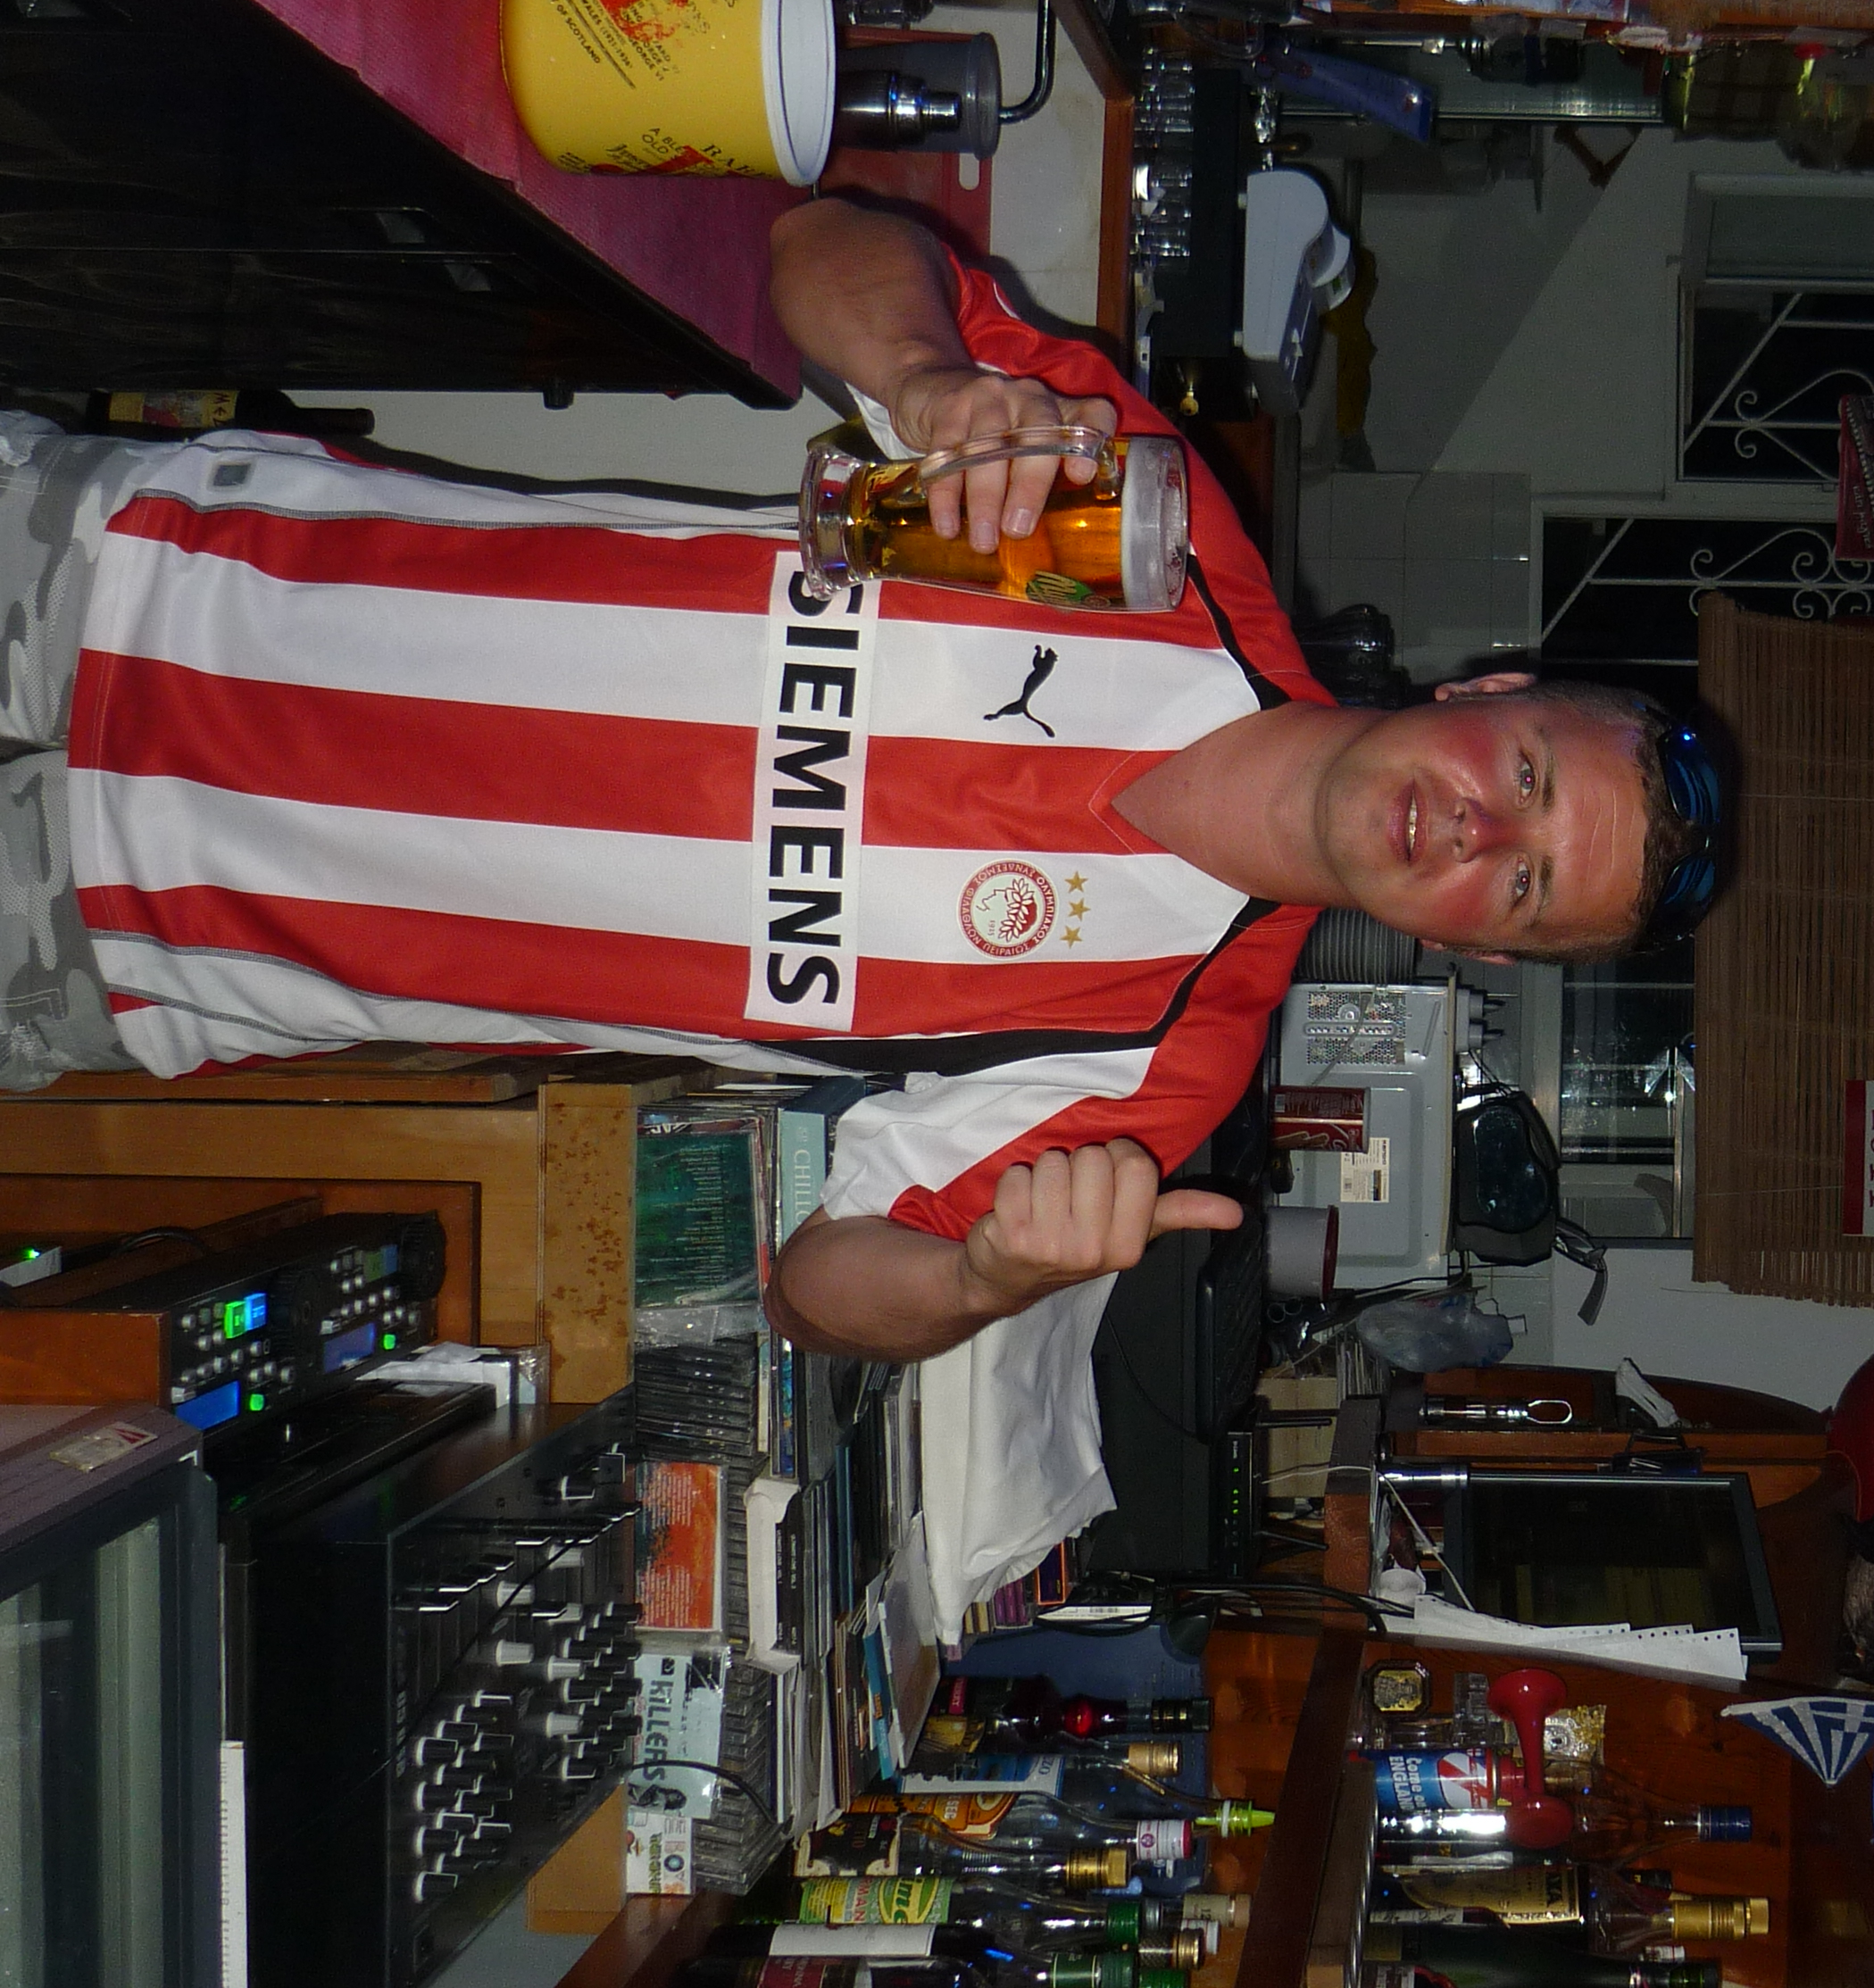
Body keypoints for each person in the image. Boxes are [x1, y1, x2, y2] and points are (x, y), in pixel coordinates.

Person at [0, 198, 1723, 1361]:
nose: (1476, 828)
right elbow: (821, 242)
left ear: (1473, 950)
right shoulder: (1146, 542)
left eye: (1519, 884)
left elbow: (818, 1291)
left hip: (126, 931)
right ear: (1486, 692)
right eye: (1521, 774)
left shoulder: (1150, 1069)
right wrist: (925, 381)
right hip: (134, 574)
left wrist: (979, 1279)